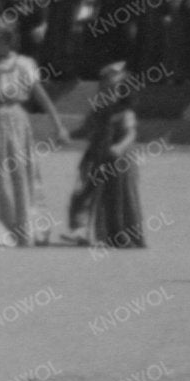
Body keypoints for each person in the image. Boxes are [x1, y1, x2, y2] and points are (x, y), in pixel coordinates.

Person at [0, 21, 67, 249]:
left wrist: (58, 125)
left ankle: (23, 226)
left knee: (18, 172)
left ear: (8, 41)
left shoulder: (23, 64)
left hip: (15, 121)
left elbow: (40, 95)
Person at [71, 64, 146, 250]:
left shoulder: (124, 112)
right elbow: (86, 129)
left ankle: (125, 235)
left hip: (120, 161)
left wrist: (119, 147)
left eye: (112, 88)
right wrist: (68, 135)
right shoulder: (98, 110)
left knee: (121, 196)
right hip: (96, 157)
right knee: (89, 194)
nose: (107, 92)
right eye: (103, 88)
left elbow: (131, 134)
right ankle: (90, 230)